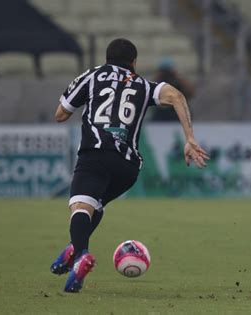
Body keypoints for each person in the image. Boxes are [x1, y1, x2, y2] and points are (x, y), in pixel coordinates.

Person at [50, 38, 210, 293]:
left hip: (96, 154)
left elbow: (60, 114)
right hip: (128, 167)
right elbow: (177, 96)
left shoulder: (92, 76)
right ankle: (73, 248)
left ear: (106, 58)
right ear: (134, 62)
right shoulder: (144, 85)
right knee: (95, 205)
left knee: (80, 205)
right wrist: (189, 138)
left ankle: (80, 255)